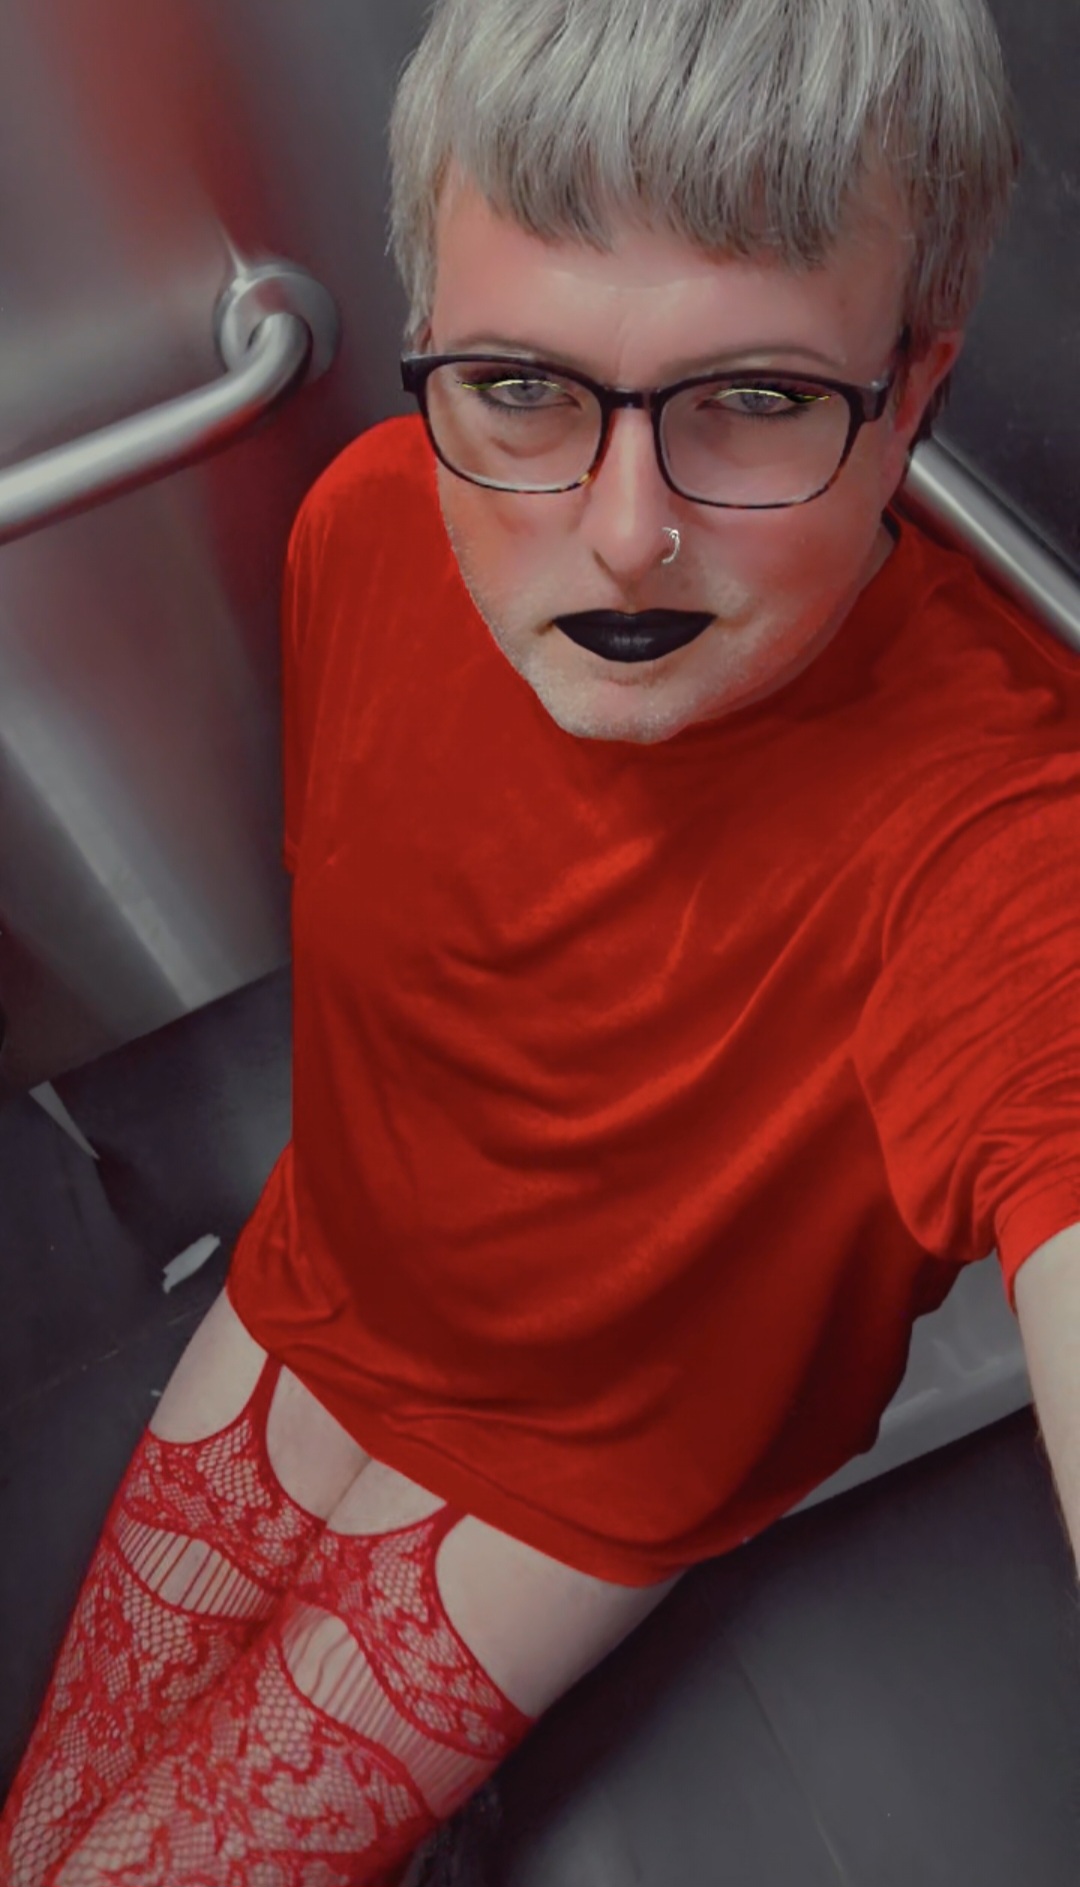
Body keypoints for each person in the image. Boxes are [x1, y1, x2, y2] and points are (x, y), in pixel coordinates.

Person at [6, 0, 1078, 1882]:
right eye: (520, 386)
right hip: (329, 1265)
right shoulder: (363, 526)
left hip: (605, 1453)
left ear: (910, 390)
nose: (623, 534)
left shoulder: (998, 838)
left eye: (758, 399)